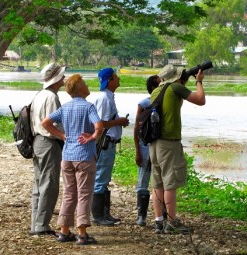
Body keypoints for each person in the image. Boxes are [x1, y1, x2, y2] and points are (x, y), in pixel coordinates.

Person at [41, 74, 103, 245]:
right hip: (84, 156)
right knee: (84, 194)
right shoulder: (89, 107)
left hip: (67, 156)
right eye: (85, 83)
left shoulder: (66, 107)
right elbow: (99, 126)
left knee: (69, 194)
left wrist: (62, 136)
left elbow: (45, 123)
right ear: (80, 89)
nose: (87, 85)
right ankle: (82, 234)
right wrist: (92, 137)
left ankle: (64, 231)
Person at [149, 65, 206, 234]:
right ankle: (172, 221)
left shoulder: (156, 91)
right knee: (170, 182)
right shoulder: (175, 87)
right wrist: (198, 81)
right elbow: (200, 100)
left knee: (157, 182)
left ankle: (159, 220)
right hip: (169, 142)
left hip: (154, 142)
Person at [29, 62, 66, 235]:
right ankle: (42, 225)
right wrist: (64, 136)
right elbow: (51, 124)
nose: (64, 78)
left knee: (39, 184)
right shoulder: (51, 97)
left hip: (38, 141)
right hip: (48, 142)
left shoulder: (40, 95)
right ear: (56, 78)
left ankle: (36, 224)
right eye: (62, 75)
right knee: (49, 184)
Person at [91, 67, 130, 226]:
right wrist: (119, 121)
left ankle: (105, 214)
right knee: (100, 179)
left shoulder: (107, 97)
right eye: (116, 77)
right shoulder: (105, 99)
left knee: (104, 178)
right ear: (110, 81)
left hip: (108, 143)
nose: (119, 79)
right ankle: (98, 216)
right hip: (105, 143)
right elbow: (101, 123)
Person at [133, 75, 160, 226]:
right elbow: (137, 127)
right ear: (154, 88)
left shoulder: (164, 102)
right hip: (145, 147)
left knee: (159, 180)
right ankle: (141, 215)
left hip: (159, 146)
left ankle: (160, 215)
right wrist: (137, 149)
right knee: (143, 181)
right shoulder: (144, 104)